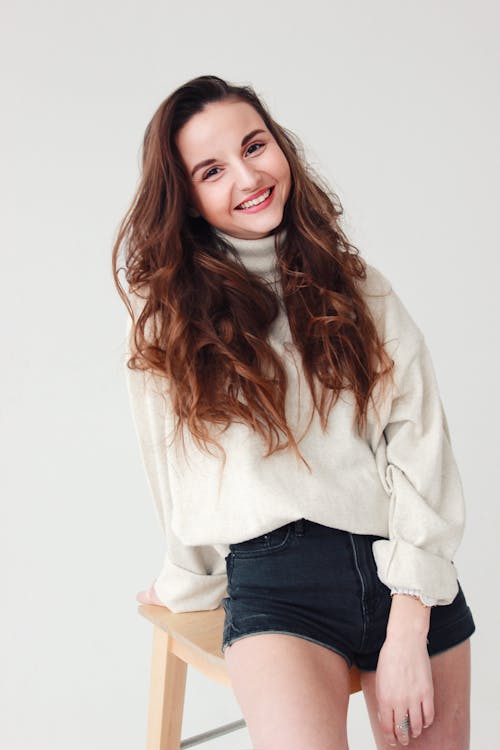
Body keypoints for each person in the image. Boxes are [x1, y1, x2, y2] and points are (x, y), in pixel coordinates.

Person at [112, 75, 476, 750]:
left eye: (256, 145)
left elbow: (419, 445)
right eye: (212, 169)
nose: (248, 175)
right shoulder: (172, 323)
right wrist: (184, 582)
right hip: (282, 590)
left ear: (281, 146)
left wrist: (408, 625)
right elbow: (178, 476)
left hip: (406, 578)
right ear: (187, 198)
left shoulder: (359, 287)